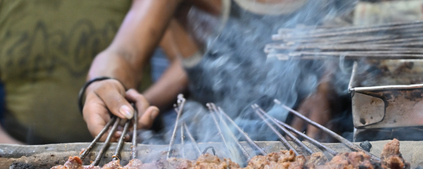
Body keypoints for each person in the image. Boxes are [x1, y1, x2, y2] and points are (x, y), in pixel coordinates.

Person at [83, 0, 356, 142]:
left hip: (326, 154)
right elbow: (124, 51)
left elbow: (338, 44)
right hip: (218, 156)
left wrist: (325, 90)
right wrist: (102, 82)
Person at [0, 0, 187, 144]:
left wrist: (125, 105)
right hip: (21, 144)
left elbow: (128, 53)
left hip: (129, 148)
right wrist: (20, 158)